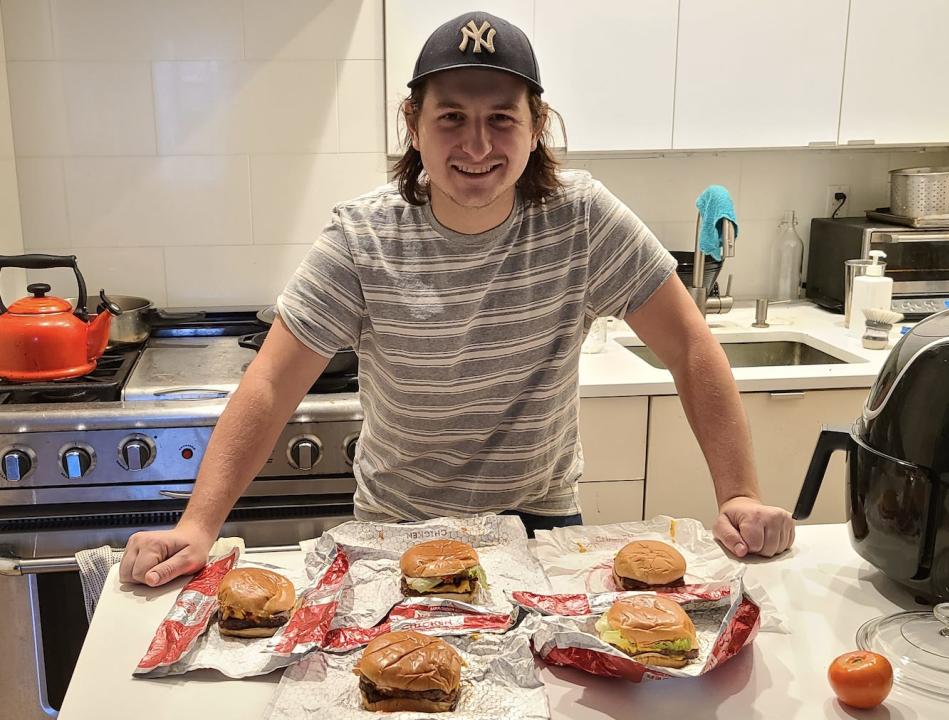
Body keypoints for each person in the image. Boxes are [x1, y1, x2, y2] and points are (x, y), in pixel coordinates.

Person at [120, 11, 794, 588]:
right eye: (452, 118)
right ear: (413, 124)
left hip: (542, 527)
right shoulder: (362, 238)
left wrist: (738, 493)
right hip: (394, 532)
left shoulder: (584, 220)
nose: (477, 145)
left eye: (501, 119)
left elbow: (688, 345)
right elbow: (269, 384)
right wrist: (198, 524)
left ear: (537, 125)